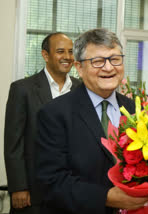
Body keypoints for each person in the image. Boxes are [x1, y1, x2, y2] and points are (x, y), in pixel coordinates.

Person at [35, 28, 148, 214]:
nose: (108, 67)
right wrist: (107, 197)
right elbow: (52, 182)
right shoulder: (54, 114)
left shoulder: (137, 111)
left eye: (115, 59)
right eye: (97, 61)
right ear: (79, 68)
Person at [4, 32, 80, 214]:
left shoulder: (82, 89)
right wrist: (18, 186)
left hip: (73, 191)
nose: (67, 57)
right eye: (60, 51)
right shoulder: (22, 89)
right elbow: (13, 143)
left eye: (70, 52)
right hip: (34, 191)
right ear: (45, 55)